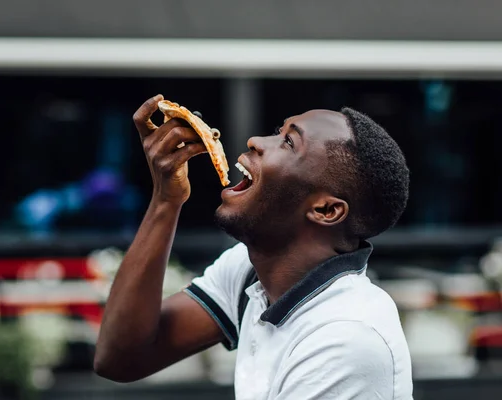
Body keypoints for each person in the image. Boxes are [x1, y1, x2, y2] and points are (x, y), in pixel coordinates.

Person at [94, 94, 413, 399]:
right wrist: (166, 199)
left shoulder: (347, 338)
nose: (256, 141)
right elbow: (121, 358)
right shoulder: (251, 271)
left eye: (289, 142)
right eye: (279, 132)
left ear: (326, 211)